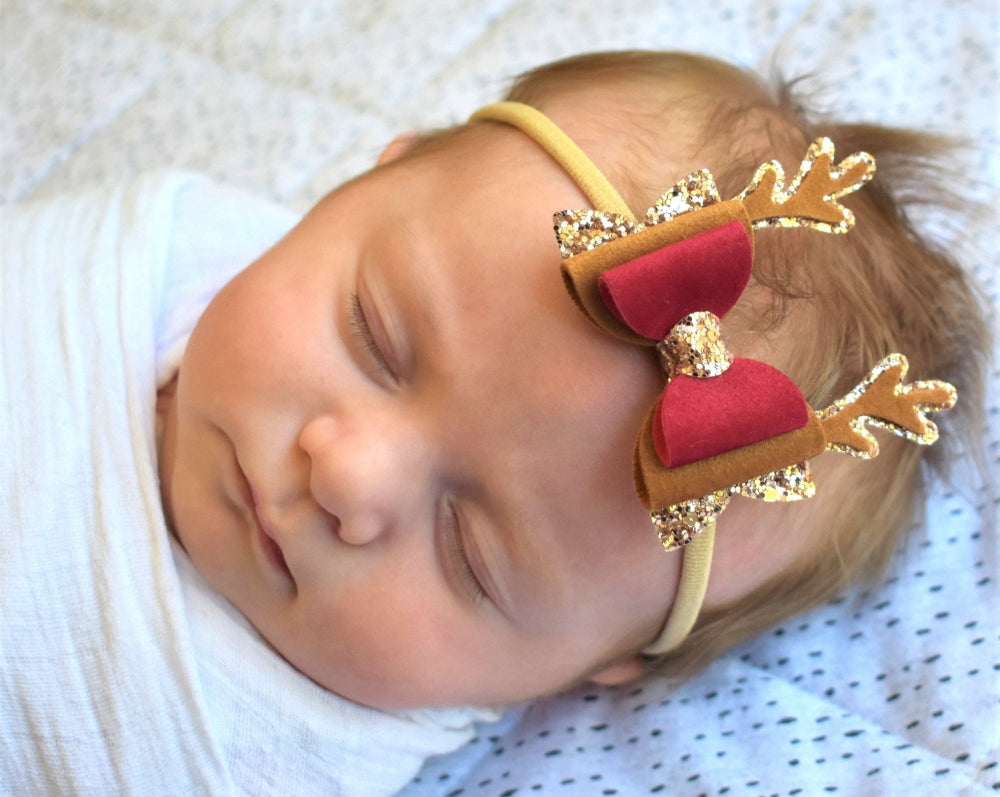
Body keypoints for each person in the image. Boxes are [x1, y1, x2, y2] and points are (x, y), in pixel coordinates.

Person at [2, 51, 989, 793]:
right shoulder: (154, 248)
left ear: (589, 667)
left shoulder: (231, 755)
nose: (348, 476)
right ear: (365, 180)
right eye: (373, 335)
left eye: (469, 550)